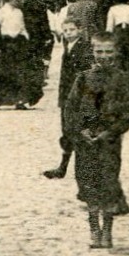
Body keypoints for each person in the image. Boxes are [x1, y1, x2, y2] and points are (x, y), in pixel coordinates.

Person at [63, 34, 129, 249]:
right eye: (99, 52)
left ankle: (107, 231)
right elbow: (71, 109)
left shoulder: (123, 79)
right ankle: (94, 230)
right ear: (93, 52)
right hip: (85, 142)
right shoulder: (83, 78)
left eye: (108, 52)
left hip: (110, 141)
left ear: (115, 52)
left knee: (108, 182)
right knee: (89, 184)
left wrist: (112, 131)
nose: (103, 56)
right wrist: (81, 131)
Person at [44, 18, 95, 180]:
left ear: (80, 30)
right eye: (65, 31)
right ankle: (63, 166)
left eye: (71, 30)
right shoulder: (68, 47)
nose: (68, 33)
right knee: (67, 132)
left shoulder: (84, 49)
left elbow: (85, 76)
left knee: (79, 131)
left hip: (78, 98)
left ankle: (86, 170)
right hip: (67, 97)